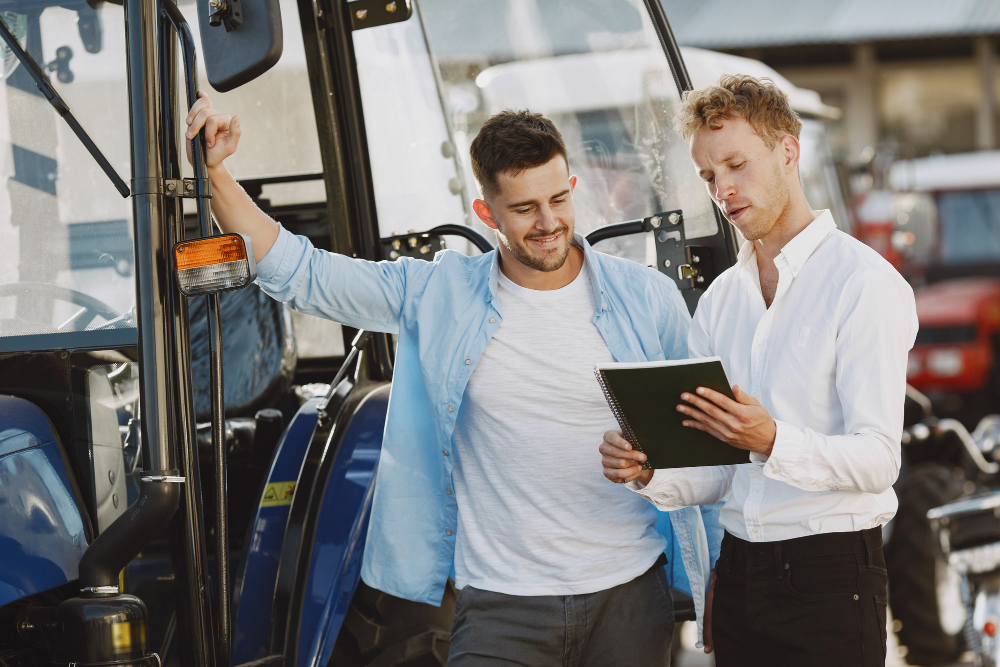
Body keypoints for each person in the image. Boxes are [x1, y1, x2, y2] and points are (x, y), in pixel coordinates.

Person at [185, 93, 721, 664]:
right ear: (486, 213)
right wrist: (216, 174)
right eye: (524, 209)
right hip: (502, 605)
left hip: (630, 595)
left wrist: (713, 568)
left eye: (559, 199)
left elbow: (701, 441)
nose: (549, 223)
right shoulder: (436, 294)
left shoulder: (647, 298)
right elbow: (304, 272)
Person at [600, 74, 917, 667]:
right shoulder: (721, 299)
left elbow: (879, 462)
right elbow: (719, 473)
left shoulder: (865, 285)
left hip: (832, 579)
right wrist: (648, 472)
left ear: (788, 151)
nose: (723, 188)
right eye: (707, 175)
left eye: (736, 164)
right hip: (741, 575)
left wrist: (770, 440)